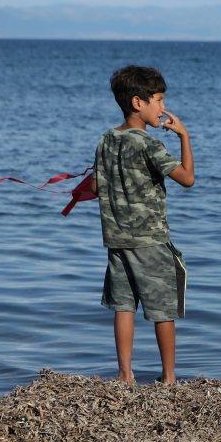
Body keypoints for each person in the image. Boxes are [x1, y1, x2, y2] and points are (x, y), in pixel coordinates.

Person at [91, 66, 194, 386]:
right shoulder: (149, 145)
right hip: (150, 240)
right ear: (138, 102)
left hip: (116, 238)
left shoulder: (107, 139)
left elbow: (95, 187)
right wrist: (184, 136)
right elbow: (187, 179)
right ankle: (169, 377)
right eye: (159, 100)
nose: (163, 108)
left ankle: (125, 375)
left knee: (123, 306)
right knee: (163, 309)